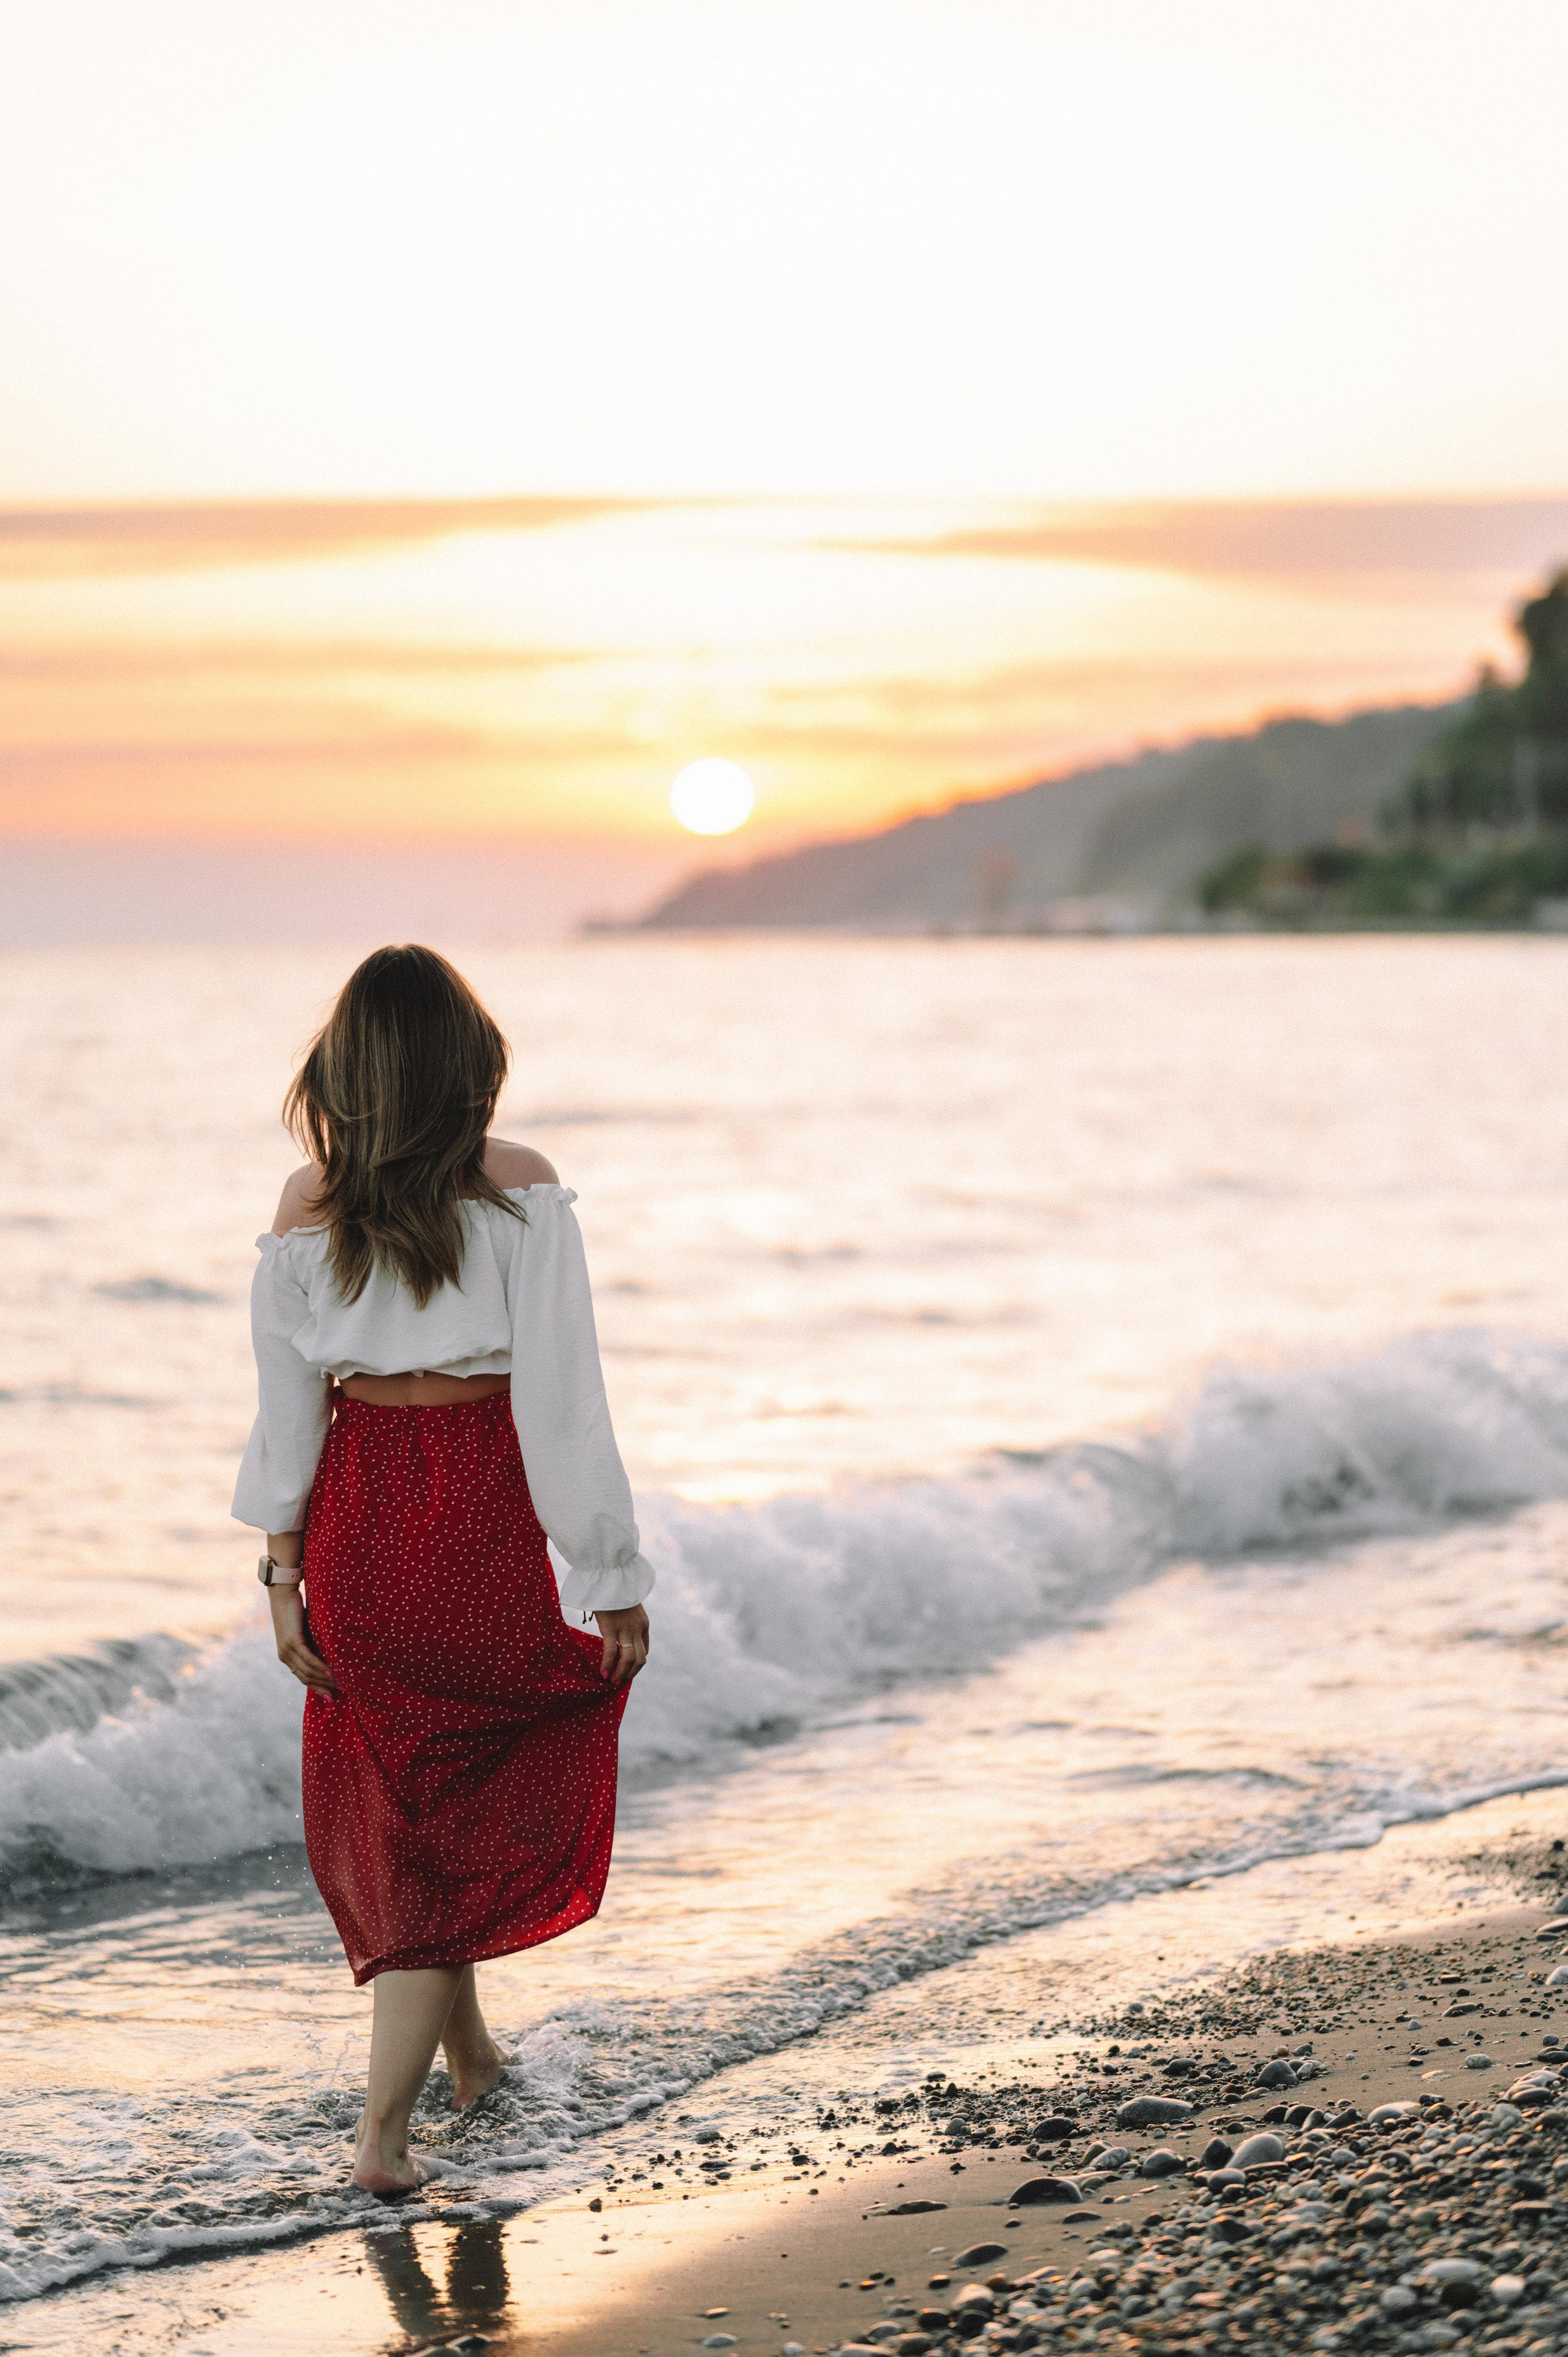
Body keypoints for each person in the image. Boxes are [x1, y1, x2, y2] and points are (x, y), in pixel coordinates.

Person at [232, 944, 653, 2195]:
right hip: (471, 1512)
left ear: (346, 1072)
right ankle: (380, 2141)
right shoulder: (522, 1189)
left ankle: (469, 2061)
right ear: (468, 1066)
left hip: (358, 1521)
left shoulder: (306, 1206)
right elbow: (563, 1407)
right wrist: (608, 1569)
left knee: (416, 1796)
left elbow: (286, 1415)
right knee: (448, 1792)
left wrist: (283, 1575)